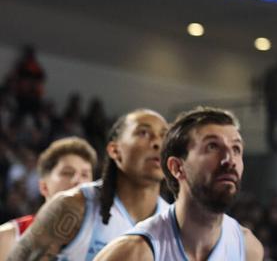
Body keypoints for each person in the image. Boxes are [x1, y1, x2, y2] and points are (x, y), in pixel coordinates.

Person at [94, 107, 263, 261]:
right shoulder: (133, 253)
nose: (229, 160)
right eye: (212, 146)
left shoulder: (248, 249)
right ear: (177, 167)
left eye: (236, 149)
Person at [10, 109, 170, 261]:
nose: (157, 143)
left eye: (164, 136)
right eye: (143, 133)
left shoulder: (175, 223)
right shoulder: (73, 205)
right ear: (114, 150)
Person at [0, 137, 97, 258]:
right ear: (44, 187)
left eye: (85, 174)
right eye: (67, 173)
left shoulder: (109, 238)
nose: (78, 181)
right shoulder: (8, 237)